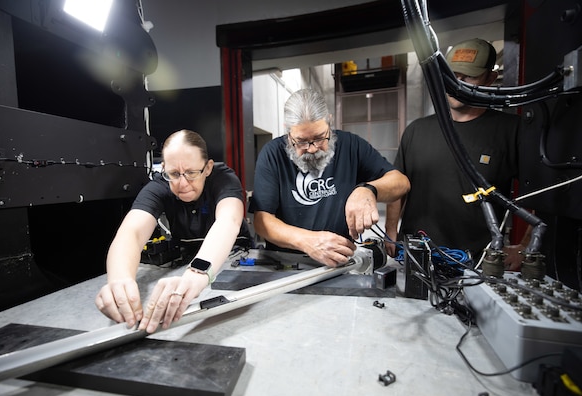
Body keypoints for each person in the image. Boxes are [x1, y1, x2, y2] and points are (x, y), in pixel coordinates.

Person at [385, 38, 527, 268]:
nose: (456, 83)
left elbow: (543, 196)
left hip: (478, 264)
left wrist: (525, 247)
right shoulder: (416, 130)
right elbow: (397, 185)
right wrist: (391, 230)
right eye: (451, 75)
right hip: (416, 260)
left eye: (468, 76)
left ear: (490, 79)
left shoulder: (512, 130)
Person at [95, 129, 252, 333]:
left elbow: (228, 221)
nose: (182, 183)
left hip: (237, 262)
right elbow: (131, 233)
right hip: (187, 267)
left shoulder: (223, 178)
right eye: (174, 174)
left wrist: (199, 270)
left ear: (208, 168)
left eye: (191, 173)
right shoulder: (161, 185)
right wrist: (119, 279)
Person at [251, 88, 410, 267]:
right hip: (286, 265)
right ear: (288, 132)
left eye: (320, 138)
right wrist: (306, 241)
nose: (312, 148)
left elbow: (400, 182)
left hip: (340, 262)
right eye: (302, 141)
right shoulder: (272, 154)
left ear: (329, 122)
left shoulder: (351, 145)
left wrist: (369, 190)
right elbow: (262, 221)